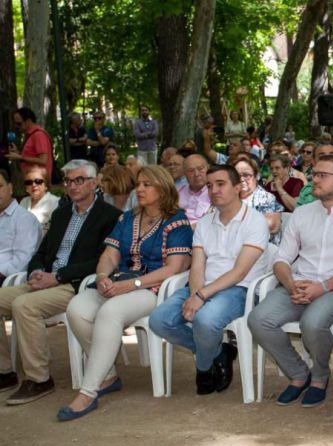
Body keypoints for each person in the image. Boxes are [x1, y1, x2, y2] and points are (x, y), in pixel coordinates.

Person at [59, 166, 193, 421]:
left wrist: (131, 285)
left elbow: (174, 268)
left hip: (151, 288)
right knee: (76, 308)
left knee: (110, 312)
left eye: (147, 184)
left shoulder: (177, 221)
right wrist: (101, 277)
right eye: (138, 184)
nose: (139, 189)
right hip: (118, 282)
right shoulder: (128, 218)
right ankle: (107, 374)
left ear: (163, 188)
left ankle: (88, 392)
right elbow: (110, 254)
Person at [249, 155, 333, 408]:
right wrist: (290, 284)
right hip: (298, 284)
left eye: (321, 175)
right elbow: (281, 259)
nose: (313, 179)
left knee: (313, 323)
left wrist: (323, 287)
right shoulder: (302, 213)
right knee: (258, 320)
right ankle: (297, 373)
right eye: (313, 173)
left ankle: (319, 376)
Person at [0, 160, 121, 404]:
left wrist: (57, 276)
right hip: (45, 281)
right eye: (68, 181)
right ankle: (4, 372)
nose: (73, 186)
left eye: (79, 180)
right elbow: (42, 252)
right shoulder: (61, 213)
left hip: (75, 285)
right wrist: (35, 272)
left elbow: (102, 261)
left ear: (94, 182)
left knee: (24, 305)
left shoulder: (110, 216)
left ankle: (39, 379)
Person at [150, 164, 270, 394]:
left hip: (239, 289)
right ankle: (217, 353)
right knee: (159, 320)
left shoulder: (255, 221)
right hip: (201, 287)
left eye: (220, 184)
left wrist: (201, 296)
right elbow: (197, 265)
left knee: (204, 321)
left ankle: (203, 367)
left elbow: (239, 272)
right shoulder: (205, 222)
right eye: (210, 185)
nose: (213, 190)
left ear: (237, 188)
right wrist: (196, 294)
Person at [0, 170, 43, 285]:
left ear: (10, 188)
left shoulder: (24, 219)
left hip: (6, 280)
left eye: (0, 186)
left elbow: (21, 262)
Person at [233, 155, 282, 237]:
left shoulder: (267, 199)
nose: (241, 179)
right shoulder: (228, 197)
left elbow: (271, 226)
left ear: (256, 176)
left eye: (246, 175)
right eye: (236, 175)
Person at [6, 107, 54, 177]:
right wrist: (17, 153)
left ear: (28, 121)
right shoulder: (30, 135)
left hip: (39, 180)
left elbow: (43, 161)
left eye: (19, 124)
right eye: (15, 124)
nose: (16, 126)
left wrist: (20, 157)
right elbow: (31, 155)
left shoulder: (38, 135)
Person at [19, 166, 60, 230]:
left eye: (38, 181)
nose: (33, 185)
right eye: (29, 182)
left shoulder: (55, 202)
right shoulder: (24, 202)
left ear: (46, 185)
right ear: (26, 187)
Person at [178, 154, 212, 225]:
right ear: (184, 173)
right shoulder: (178, 192)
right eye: (191, 171)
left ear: (208, 168)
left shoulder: (214, 192)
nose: (196, 174)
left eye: (200, 169)